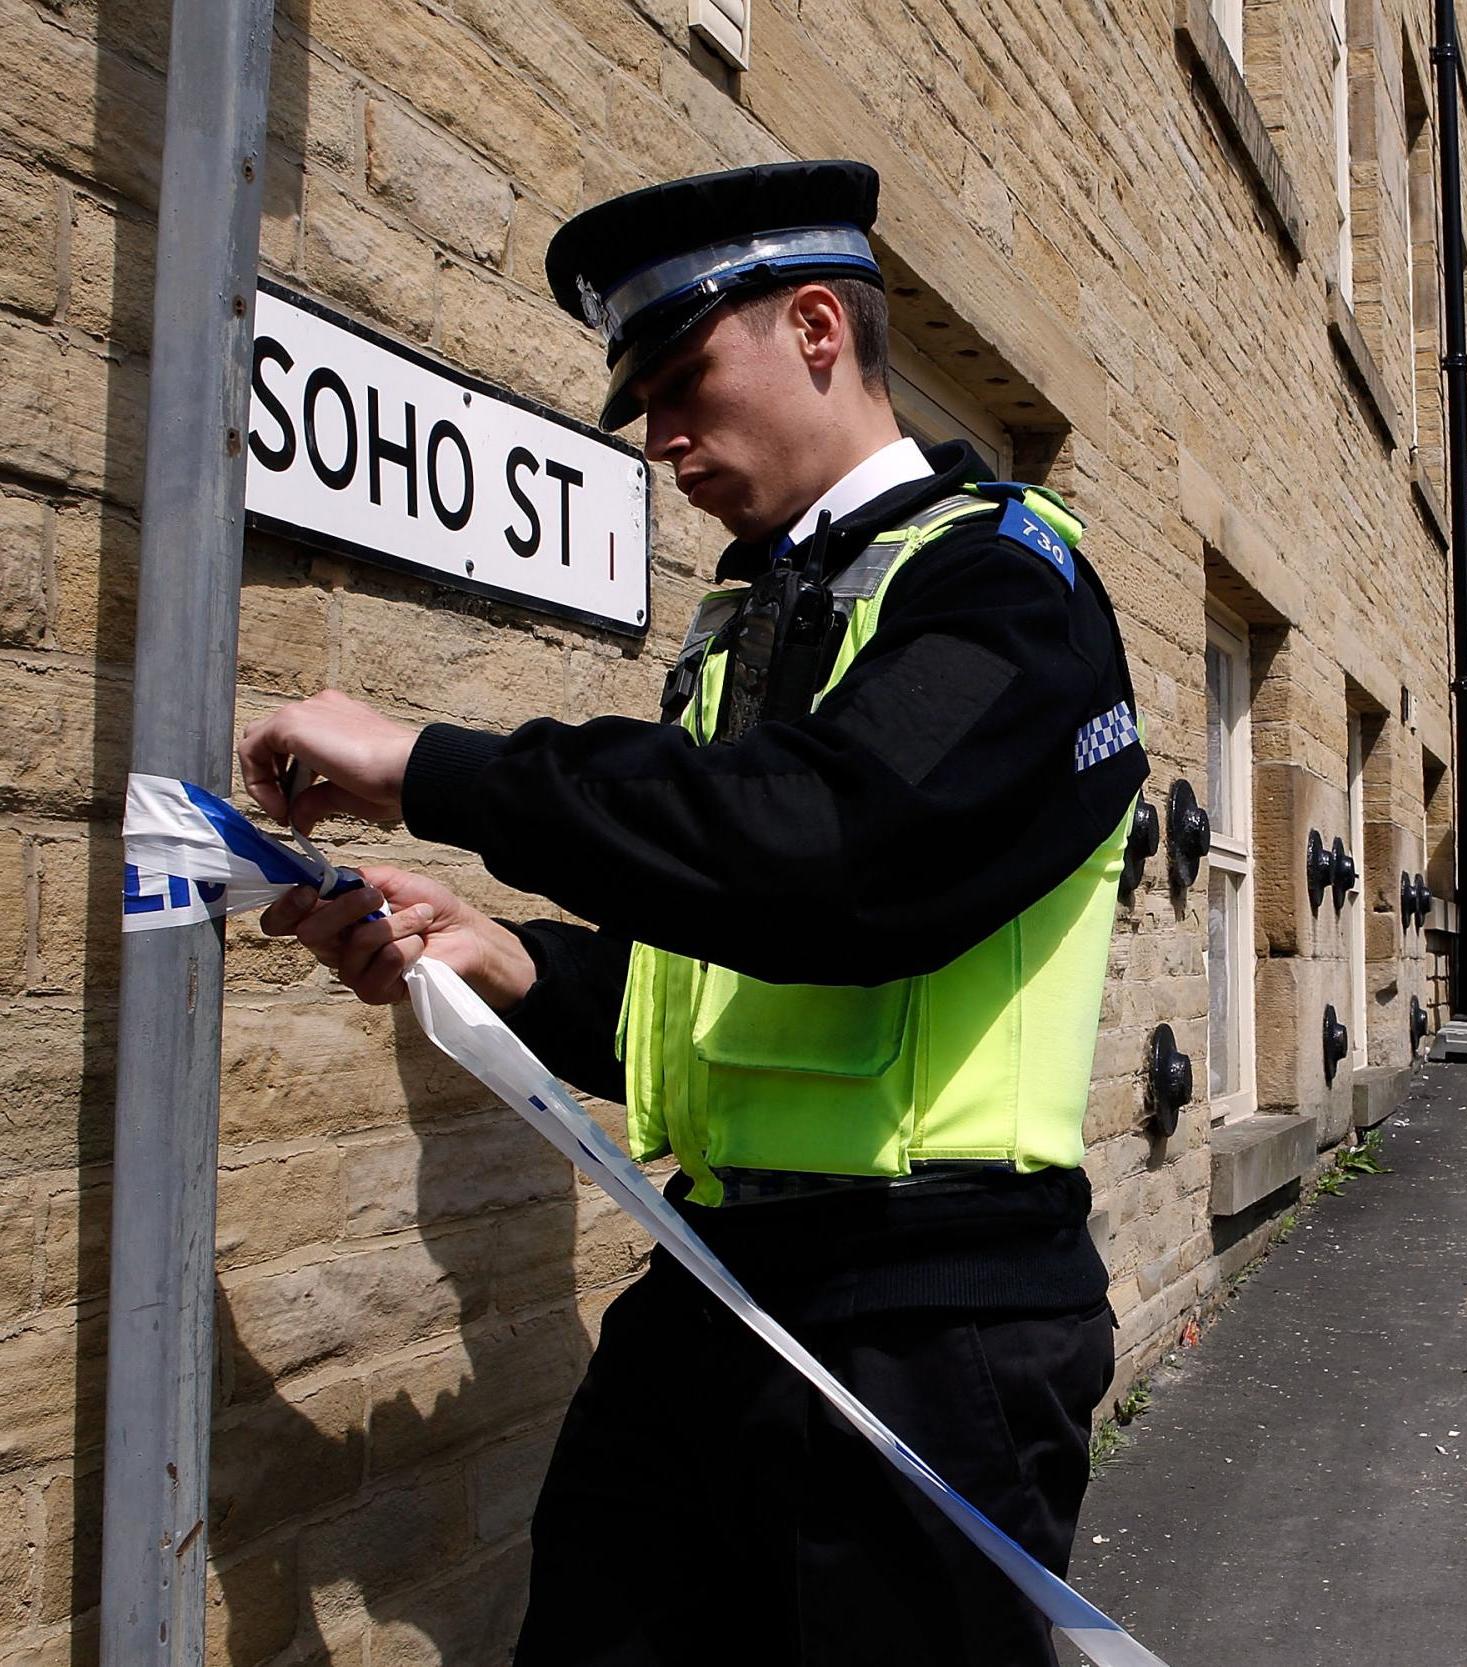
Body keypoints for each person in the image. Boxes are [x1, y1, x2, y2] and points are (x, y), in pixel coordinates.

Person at [236, 160, 1150, 1666]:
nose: (660, 440)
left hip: (927, 1327)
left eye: (679, 382)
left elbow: (836, 858)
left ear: (812, 327)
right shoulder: (764, 620)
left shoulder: (1004, 584)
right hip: (720, 1277)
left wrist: (428, 765)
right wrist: (508, 959)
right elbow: (723, 996)